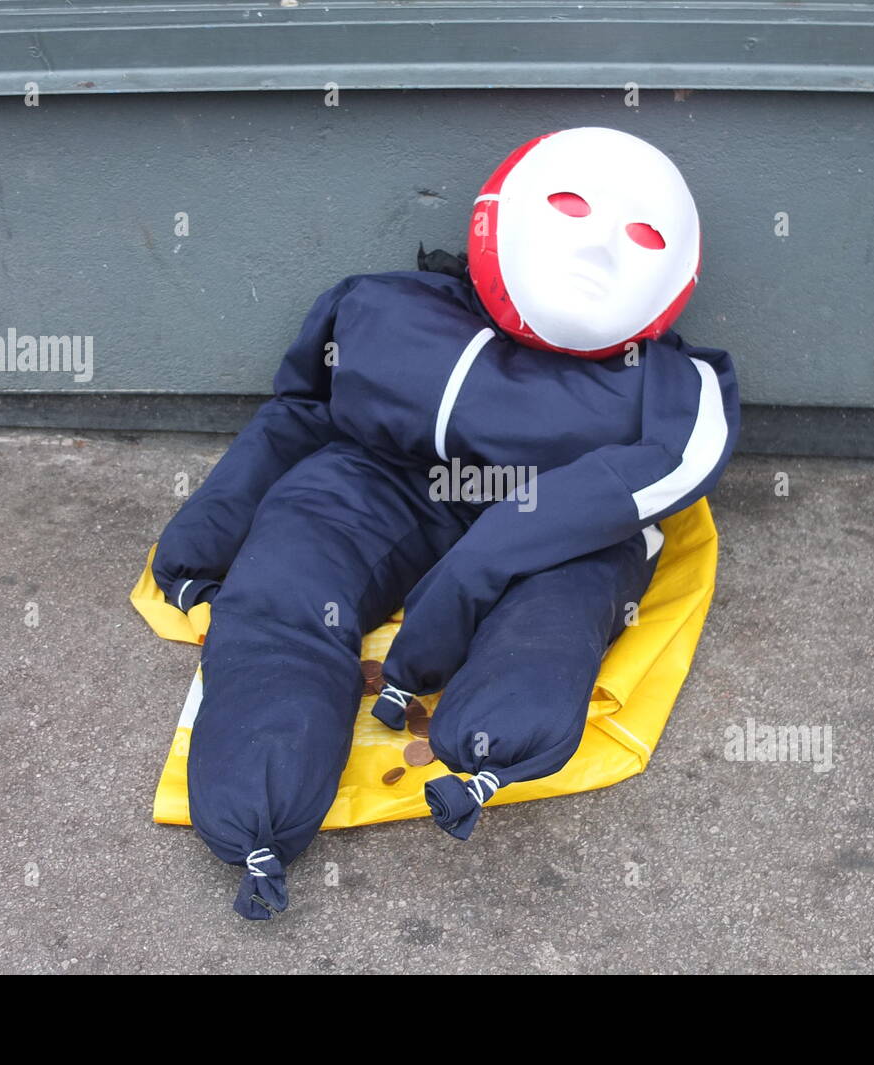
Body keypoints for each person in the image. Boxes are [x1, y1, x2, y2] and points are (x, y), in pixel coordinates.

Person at [151, 127, 740, 919]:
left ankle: (492, 744)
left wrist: (478, 569)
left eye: (640, 236)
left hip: (559, 520)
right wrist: (204, 540)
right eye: (570, 208)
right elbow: (297, 416)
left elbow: (638, 482)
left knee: (556, 620)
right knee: (287, 575)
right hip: (385, 481)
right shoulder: (382, 307)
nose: (599, 251)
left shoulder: (675, 387)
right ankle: (257, 804)